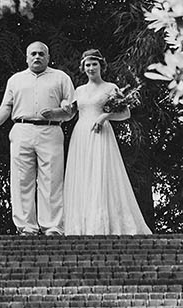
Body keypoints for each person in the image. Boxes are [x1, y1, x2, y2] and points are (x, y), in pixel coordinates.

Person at [0, 41, 75, 235]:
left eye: (41, 54)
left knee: (52, 179)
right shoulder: (16, 80)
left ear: (48, 57)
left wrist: (56, 113)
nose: (37, 57)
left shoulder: (61, 78)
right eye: (33, 54)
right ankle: (26, 227)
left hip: (50, 130)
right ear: (26, 57)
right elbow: (6, 107)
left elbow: (70, 110)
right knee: (21, 179)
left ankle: (53, 226)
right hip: (21, 130)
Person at [61, 49, 152, 235]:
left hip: (101, 134)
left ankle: (103, 224)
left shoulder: (110, 88)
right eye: (87, 65)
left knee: (101, 174)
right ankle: (82, 225)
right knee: (83, 176)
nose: (91, 68)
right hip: (81, 136)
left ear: (101, 66)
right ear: (83, 67)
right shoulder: (79, 90)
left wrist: (105, 116)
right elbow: (69, 113)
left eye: (94, 64)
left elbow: (125, 113)